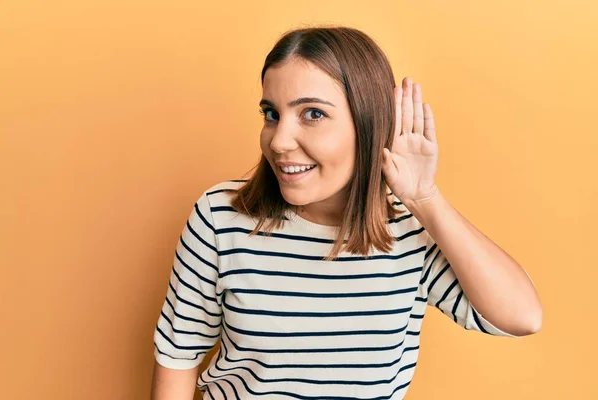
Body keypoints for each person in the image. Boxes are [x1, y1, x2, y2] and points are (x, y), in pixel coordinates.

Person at [150, 26, 542, 400]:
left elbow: (522, 317)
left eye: (313, 114)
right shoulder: (220, 218)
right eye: (271, 113)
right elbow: (177, 356)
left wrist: (425, 199)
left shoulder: (410, 232)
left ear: (368, 125)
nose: (279, 140)